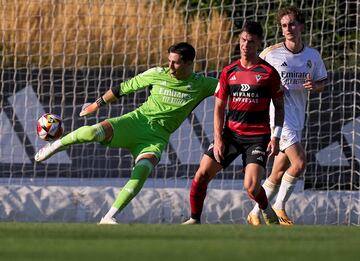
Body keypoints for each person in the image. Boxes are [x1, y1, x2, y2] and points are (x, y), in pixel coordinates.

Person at [34, 42, 218, 224]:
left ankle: (108, 217)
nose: (169, 66)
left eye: (175, 62)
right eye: (168, 61)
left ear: (189, 63)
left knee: (143, 170)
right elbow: (123, 88)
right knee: (92, 132)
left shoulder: (202, 84)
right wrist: (95, 105)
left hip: (157, 137)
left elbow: (231, 88)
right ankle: (55, 146)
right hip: (136, 122)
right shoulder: (156, 73)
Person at [183, 21, 284, 225]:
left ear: (259, 43)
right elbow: (219, 107)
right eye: (243, 40)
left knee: (251, 187)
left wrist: (276, 136)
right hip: (231, 135)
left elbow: (280, 107)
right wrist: (218, 139)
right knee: (201, 174)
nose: (246, 45)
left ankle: (266, 209)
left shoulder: (269, 73)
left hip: (257, 137)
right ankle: (194, 219)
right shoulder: (229, 71)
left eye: (251, 41)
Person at [247, 6, 328, 226]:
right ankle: (279, 206)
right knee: (299, 162)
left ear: (301, 26)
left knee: (278, 171)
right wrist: (267, 86)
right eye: (284, 25)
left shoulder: (312, 55)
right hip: (277, 118)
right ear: (281, 29)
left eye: (292, 24)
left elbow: (323, 82)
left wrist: (315, 86)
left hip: (297, 117)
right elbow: (252, 73)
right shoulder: (271, 53)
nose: (288, 29)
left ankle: (254, 212)